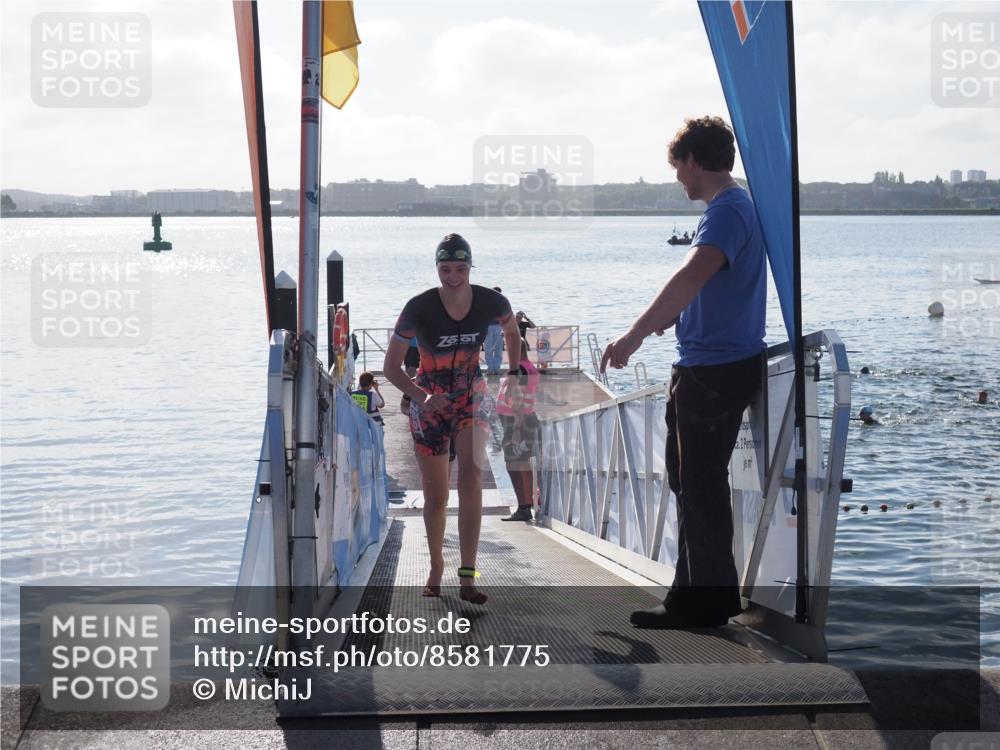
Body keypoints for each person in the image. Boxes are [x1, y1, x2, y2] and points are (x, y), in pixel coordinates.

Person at [601, 116, 766, 629]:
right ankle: (692, 596)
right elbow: (709, 285)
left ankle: (707, 603)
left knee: (699, 485)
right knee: (691, 483)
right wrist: (678, 316)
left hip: (714, 370)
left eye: (678, 167)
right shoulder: (736, 209)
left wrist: (631, 335)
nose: (677, 177)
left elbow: (692, 272)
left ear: (695, 160)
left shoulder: (727, 210)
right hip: (713, 363)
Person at [383, 234, 521, 604]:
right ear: (437, 269)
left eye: (460, 269)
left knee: (472, 476)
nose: (453, 276)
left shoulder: (492, 301)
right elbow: (391, 368)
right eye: (446, 269)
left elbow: (512, 331)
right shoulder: (418, 308)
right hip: (428, 401)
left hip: (470, 396)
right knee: (437, 496)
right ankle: (436, 565)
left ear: (470, 268)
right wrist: (420, 396)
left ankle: (468, 575)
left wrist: (513, 370)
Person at [498, 339, 541, 522]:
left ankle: (523, 507)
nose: (506, 350)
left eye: (507, 347)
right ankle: (527, 504)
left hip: (517, 422)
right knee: (522, 463)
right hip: (526, 419)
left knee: (514, 465)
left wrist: (515, 429)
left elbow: (518, 400)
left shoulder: (520, 370)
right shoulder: (529, 367)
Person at [483, 287, 505, 375]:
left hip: (499, 326)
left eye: (498, 292)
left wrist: (504, 328)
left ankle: (497, 368)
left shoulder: (502, 302)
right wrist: (484, 327)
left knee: (499, 348)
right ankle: (490, 368)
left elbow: (505, 316)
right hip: (488, 326)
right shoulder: (487, 302)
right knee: (488, 348)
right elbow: (483, 316)